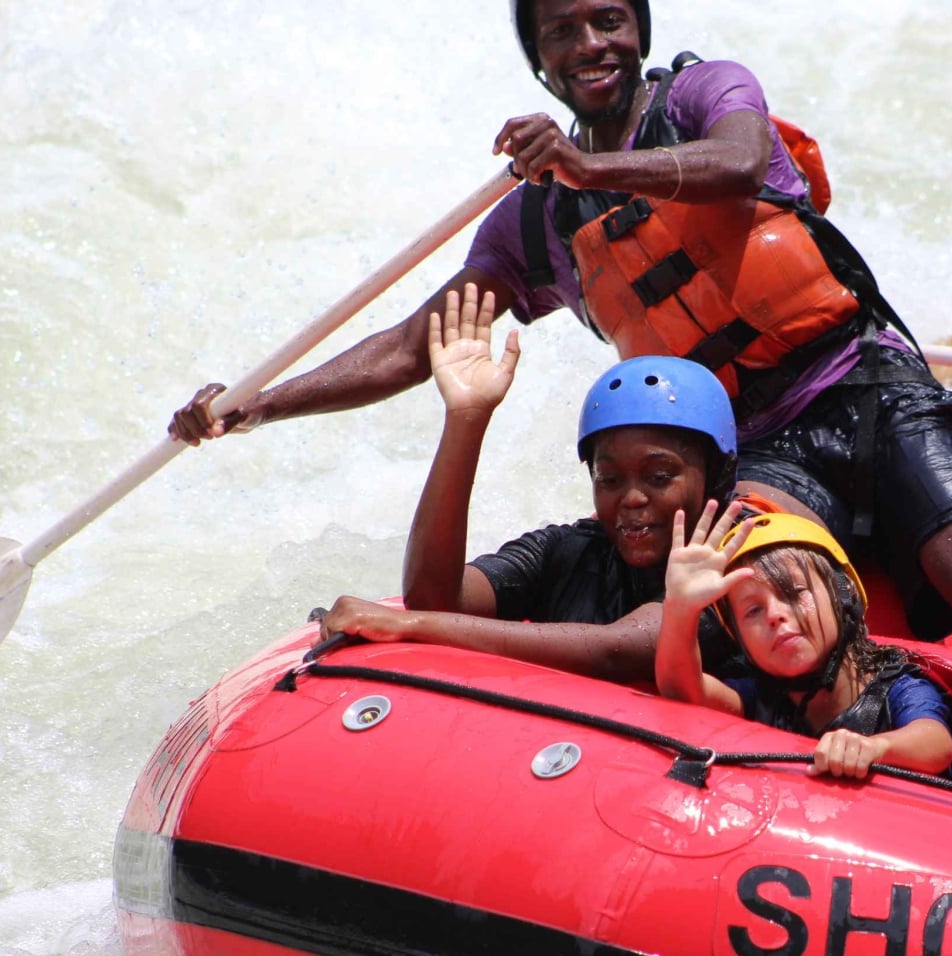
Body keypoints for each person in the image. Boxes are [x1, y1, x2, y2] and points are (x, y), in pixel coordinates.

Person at [174, 0, 952, 666]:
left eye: (609, 21)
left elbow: (740, 161)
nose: (591, 45)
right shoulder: (535, 221)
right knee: (752, 600)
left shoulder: (704, 95)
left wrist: (590, 165)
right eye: (562, 33)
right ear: (539, 62)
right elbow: (422, 340)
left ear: (640, 31)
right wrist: (257, 404)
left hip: (865, 381)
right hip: (753, 450)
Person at [318, 283, 745, 681]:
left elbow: (619, 649)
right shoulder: (571, 552)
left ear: (716, 475)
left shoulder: (741, 564)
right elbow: (436, 599)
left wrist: (412, 626)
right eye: (609, 478)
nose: (631, 498)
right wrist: (466, 420)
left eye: (659, 476)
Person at [657, 505, 952, 781]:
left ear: (845, 594)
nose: (774, 615)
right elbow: (684, 690)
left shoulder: (899, 687)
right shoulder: (760, 696)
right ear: (739, 638)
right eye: (753, 611)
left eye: (793, 593)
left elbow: (936, 743)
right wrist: (681, 609)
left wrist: (874, 747)